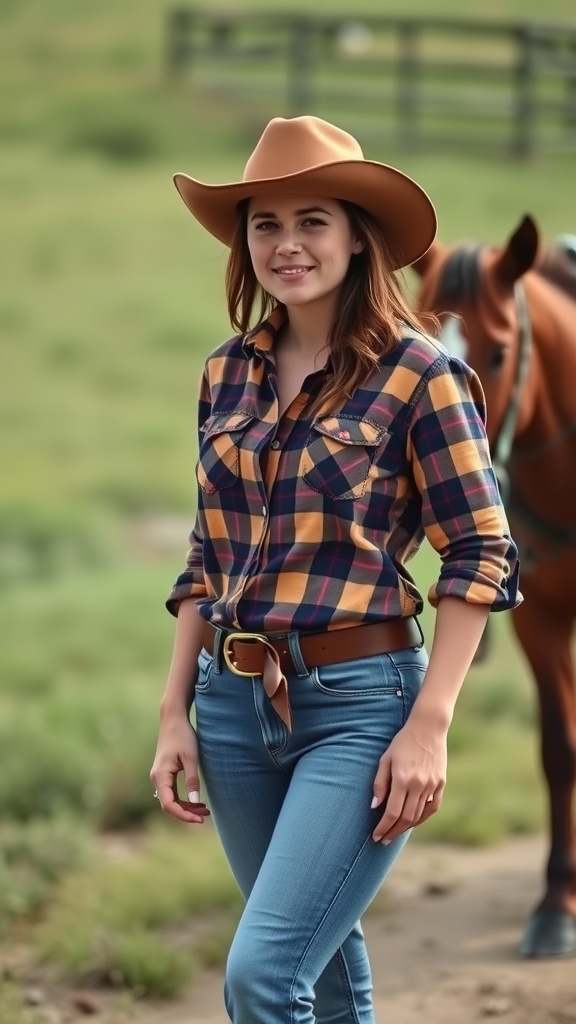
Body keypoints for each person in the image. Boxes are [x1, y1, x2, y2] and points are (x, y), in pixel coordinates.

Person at [150, 115, 521, 1024]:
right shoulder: (225, 375)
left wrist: (429, 726)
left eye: (312, 220)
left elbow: (479, 547)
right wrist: (174, 713)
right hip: (234, 704)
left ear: (358, 235)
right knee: (315, 955)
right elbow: (210, 552)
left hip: (362, 705)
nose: (288, 245)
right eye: (265, 224)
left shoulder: (421, 376)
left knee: (263, 975)